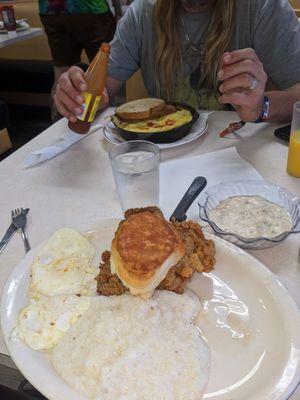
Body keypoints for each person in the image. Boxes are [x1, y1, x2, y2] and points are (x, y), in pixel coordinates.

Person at [54, 0, 300, 124]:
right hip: (160, 159)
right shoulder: (141, 13)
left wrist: (263, 106)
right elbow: (101, 89)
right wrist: (75, 94)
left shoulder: (264, 8)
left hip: (244, 164)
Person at [39, 0, 122, 118]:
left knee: (62, 76)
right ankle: (106, 127)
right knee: (103, 78)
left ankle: (59, 125)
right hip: (90, 9)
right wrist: (119, 13)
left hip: (51, 10)